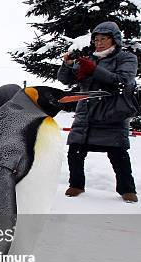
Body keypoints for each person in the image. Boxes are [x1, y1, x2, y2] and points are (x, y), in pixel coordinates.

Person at [58, 21, 138, 203]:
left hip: (112, 113)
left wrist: (94, 70)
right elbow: (64, 79)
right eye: (96, 39)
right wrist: (67, 64)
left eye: (103, 39)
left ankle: (127, 189)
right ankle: (76, 184)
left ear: (115, 40)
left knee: (118, 154)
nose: (99, 43)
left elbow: (122, 81)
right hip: (85, 113)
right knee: (75, 151)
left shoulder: (126, 58)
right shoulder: (89, 59)